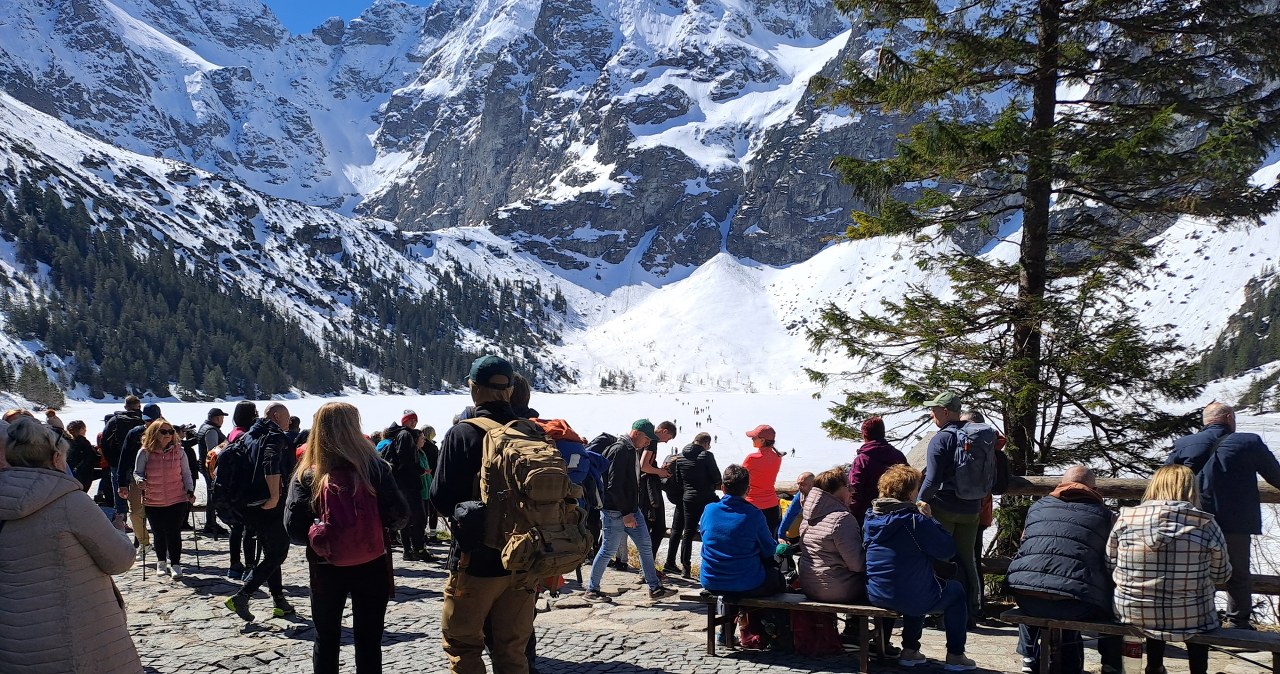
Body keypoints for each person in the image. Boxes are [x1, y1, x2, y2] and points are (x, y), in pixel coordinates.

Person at [0, 416, 143, 673]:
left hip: (13, 638)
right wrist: (119, 530)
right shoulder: (69, 501)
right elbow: (120, 559)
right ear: (56, 458)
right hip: (77, 633)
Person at [429, 355, 536, 673]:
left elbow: (440, 497)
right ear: (509, 390)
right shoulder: (530, 432)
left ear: (474, 388)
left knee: (464, 646)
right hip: (523, 559)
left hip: (476, 561)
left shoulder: (463, 434)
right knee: (512, 649)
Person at [285, 402, 410, 674]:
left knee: (326, 639)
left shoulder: (308, 474)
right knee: (368, 641)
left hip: (325, 566)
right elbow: (399, 516)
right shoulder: (375, 469)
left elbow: (293, 530)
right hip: (372, 561)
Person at [1165, 402, 1279, 630]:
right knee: (1238, 574)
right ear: (1228, 418)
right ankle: (1238, 624)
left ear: (1206, 421)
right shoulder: (1249, 442)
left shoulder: (1184, 444)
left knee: (1193, 569)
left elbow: (1164, 480)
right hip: (1235, 522)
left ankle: (1198, 618)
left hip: (1193, 520)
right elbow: (1276, 477)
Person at [1109, 465, 1230, 674]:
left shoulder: (1126, 519)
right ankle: (1198, 671)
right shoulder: (1205, 524)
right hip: (1191, 616)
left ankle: (1154, 667)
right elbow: (1221, 575)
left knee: (1156, 609)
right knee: (1192, 611)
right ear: (1191, 488)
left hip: (1131, 612)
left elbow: (1110, 562)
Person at [1008, 466, 1120, 674]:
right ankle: (1111, 664)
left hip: (1027, 599)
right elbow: (1113, 559)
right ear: (1094, 489)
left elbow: (1024, 542)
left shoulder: (1037, 507)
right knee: (1099, 600)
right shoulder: (1106, 516)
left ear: (1060, 484)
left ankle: (1028, 656)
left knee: (1033, 585)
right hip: (1075, 603)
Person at [865, 464, 974, 671]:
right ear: (908, 492)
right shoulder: (915, 521)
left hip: (877, 593)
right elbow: (947, 550)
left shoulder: (871, 517)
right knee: (956, 592)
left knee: (917, 579)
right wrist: (930, 519)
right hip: (909, 595)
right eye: (917, 488)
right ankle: (955, 656)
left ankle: (911, 651)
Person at [584, 419, 679, 602]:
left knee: (644, 546)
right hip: (617, 512)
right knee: (608, 550)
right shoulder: (621, 450)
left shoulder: (628, 450)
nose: (648, 443)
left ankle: (655, 587)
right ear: (636, 434)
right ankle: (592, 590)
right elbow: (614, 486)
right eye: (646, 439)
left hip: (629, 510)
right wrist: (626, 513)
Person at [224, 402, 295, 620]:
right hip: (270, 504)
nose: (288, 422)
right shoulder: (274, 436)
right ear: (276, 416)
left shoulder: (249, 436)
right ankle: (242, 596)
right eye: (286, 418)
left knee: (271, 553)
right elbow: (270, 462)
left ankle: (279, 602)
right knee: (278, 552)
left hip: (250, 504)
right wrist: (274, 496)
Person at [917, 391, 983, 616]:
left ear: (945, 412)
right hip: (972, 507)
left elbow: (932, 479)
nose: (930, 413)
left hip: (945, 507)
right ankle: (973, 608)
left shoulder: (941, 439)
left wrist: (920, 501)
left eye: (933, 410)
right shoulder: (974, 436)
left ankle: (940, 610)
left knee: (941, 557)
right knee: (967, 559)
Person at [697, 463, 782, 596]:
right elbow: (769, 549)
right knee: (776, 578)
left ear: (723, 488)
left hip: (711, 580)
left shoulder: (709, 510)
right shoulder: (753, 514)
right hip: (746, 583)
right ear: (748, 490)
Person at [133, 417, 195, 578]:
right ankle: (161, 562)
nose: (168, 434)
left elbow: (186, 473)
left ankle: (175, 564)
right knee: (158, 533)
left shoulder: (179, 452)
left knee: (174, 532)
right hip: (153, 499)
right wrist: (140, 481)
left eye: (170, 431)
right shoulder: (144, 452)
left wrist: (190, 490)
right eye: (164, 431)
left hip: (177, 498)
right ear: (154, 433)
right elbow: (137, 472)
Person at [798, 467, 865, 603]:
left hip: (809, 586)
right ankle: (855, 623)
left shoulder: (807, 517)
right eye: (848, 486)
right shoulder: (842, 519)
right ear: (837, 490)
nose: (852, 490)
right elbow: (857, 564)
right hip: (838, 590)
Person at [665, 432, 720, 577]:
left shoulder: (681, 457)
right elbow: (717, 477)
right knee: (715, 529)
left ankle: (685, 567)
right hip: (707, 498)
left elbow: (678, 480)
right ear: (706, 444)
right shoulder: (707, 456)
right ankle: (715, 565)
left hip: (688, 498)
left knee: (688, 533)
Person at [117, 403, 162, 561]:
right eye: (146, 420)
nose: (148, 423)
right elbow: (124, 459)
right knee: (135, 513)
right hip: (137, 479)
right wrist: (121, 483)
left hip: (162, 479)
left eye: (151, 420)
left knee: (160, 514)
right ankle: (144, 543)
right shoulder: (134, 433)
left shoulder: (167, 432)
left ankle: (163, 545)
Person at [386, 412, 432, 562]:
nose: (414, 422)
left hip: (402, 483)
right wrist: (418, 471)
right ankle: (418, 549)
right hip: (408, 483)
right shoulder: (405, 435)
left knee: (407, 518)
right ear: (405, 421)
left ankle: (409, 551)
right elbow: (405, 458)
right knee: (419, 518)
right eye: (411, 420)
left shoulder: (401, 435)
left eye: (415, 420)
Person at [848, 417, 907, 524]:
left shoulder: (861, 461)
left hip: (869, 517)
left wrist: (851, 516)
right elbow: (909, 483)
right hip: (898, 515)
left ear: (864, 435)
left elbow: (854, 492)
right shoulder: (898, 456)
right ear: (883, 433)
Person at [224, 400, 258, 580]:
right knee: (249, 531)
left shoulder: (232, 433)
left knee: (236, 529)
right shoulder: (246, 436)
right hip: (244, 489)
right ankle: (250, 567)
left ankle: (234, 565)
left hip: (231, 490)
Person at [101, 396, 144, 535]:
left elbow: (104, 442)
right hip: (140, 464)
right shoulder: (144, 421)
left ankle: (121, 526)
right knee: (142, 496)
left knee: (120, 495)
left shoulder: (114, 421)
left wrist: (113, 461)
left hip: (118, 464)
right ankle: (142, 528)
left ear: (125, 406)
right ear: (139, 406)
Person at [639, 420, 676, 562]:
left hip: (641, 488)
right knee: (658, 528)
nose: (667, 442)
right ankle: (648, 566)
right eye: (669, 438)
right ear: (664, 431)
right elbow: (644, 465)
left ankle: (647, 566)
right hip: (648, 489)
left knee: (647, 528)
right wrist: (659, 472)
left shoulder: (644, 440)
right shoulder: (652, 442)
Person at [742, 424, 784, 535]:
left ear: (762, 440)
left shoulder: (751, 458)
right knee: (767, 543)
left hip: (752, 505)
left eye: (754, 437)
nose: (751, 439)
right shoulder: (777, 458)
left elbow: (739, 477)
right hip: (772, 506)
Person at [195, 408, 229, 536]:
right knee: (212, 496)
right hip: (211, 468)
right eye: (222, 418)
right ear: (217, 418)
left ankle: (211, 523)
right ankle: (211, 524)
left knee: (211, 495)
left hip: (206, 467)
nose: (223, 420)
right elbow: (213, 452)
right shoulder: (211, 431)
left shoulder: (205, 427)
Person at [776, 472, 814, 543]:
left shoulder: (823, 495)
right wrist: (781, 535)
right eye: (798, 484)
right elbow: (790, 513)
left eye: (803, 484)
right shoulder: (801, 495)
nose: (799, 487)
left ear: (813, 484)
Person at [66, 420, 100, 492]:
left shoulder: (68, 441)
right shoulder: (83, 441)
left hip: (70, 471)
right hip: (83, 472)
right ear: (81, 430)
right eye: (84, 429)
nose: (86, 430)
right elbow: (90, 457)